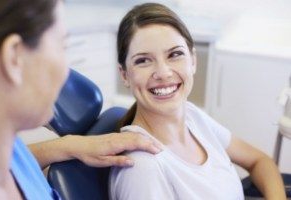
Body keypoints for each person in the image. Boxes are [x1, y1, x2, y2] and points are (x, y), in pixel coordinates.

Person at [0, 0, 161, 199]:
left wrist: (69, 146)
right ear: (14, 58)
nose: (66, 73)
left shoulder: (4, 145)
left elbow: (19, 160)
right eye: (62, 47)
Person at [109, 3, 286, 200]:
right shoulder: (143, 169)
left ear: (193, 60)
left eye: (175, 54)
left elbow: (259, 161)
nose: (163, 72)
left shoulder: (193, 117)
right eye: (143, 60)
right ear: (124, 75)